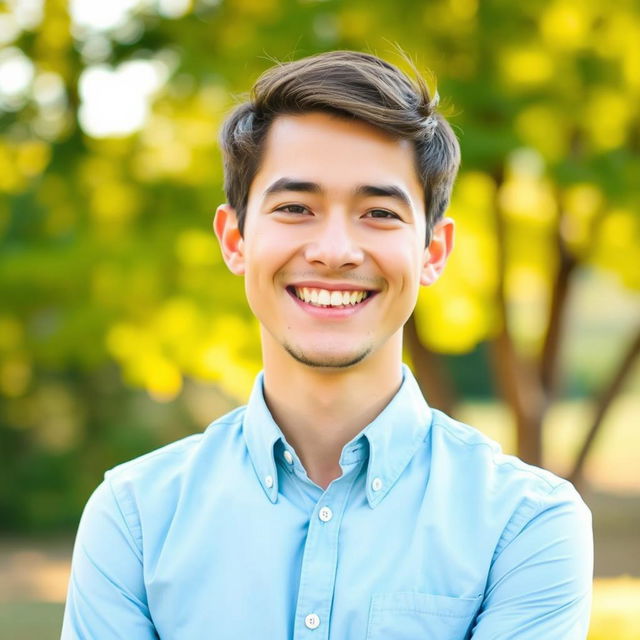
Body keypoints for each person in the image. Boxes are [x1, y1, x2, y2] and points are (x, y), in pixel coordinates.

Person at [61, 51, 593, 639]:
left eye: (378, 212)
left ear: (433, 252)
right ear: (235, 239)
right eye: (295, 208)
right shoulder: (134, 519)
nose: (334, 250)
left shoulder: (525, 526)